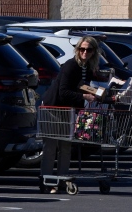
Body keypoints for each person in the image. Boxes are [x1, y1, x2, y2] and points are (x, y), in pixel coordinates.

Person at [40, 36, 102, 193]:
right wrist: (84, 97)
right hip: (53, 106)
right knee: (51, 146)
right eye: (82, 49)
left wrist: (105, 95)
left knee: (66, 146)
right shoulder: (71, 65)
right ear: (77, 49)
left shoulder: (87, 67)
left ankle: (61, 179)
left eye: (88, 50)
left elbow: (84, 87)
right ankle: (46, 181)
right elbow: (64, 91)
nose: (85, 52)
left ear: (94, 52)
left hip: (68, 109)